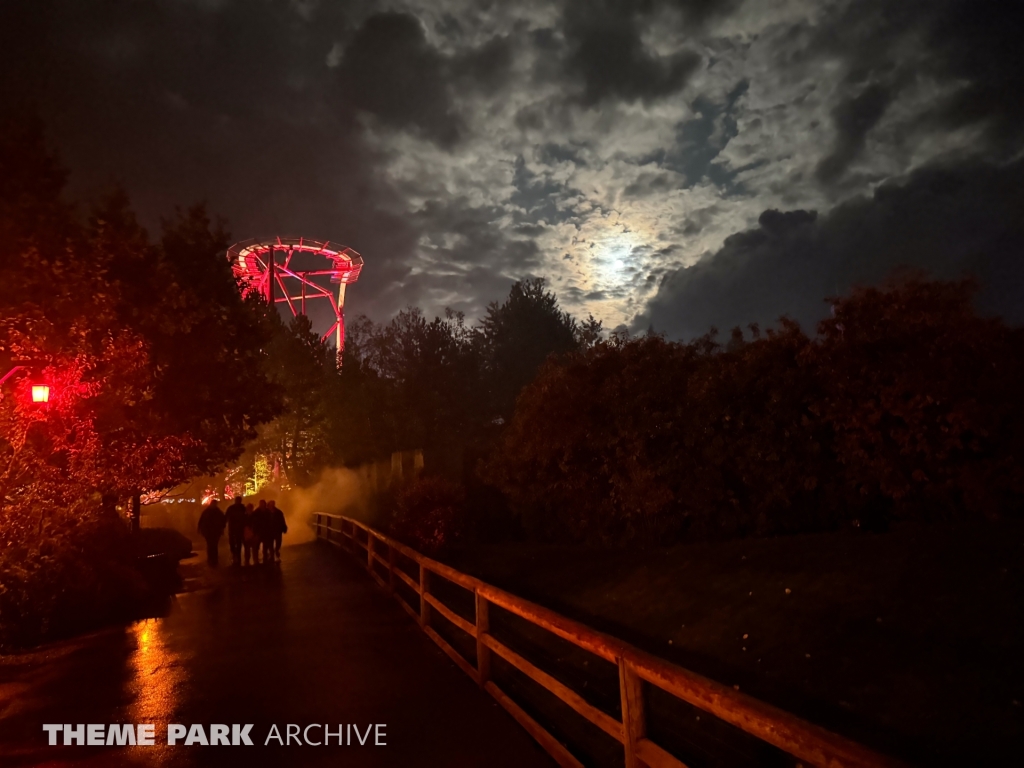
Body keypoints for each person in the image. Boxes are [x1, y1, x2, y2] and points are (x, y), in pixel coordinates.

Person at [197, 499, 226, 566]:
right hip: (211, 531)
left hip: (212, 531)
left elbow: (201, 521)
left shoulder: (208, 512)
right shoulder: (216, 512)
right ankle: (212, 558)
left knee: (212, 545)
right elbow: (223, 520)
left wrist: (200, 529)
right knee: (212, 545)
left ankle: (212, 558)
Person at [225, 495, 247, 566]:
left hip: (239, 529)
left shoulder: (242, 508)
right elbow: (226, 517)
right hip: (233, 529)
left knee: (238, 543)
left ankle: (237, 556)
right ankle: (235, 555)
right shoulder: (231, 508)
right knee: (233, 543)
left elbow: (246, 517)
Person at [253, 499, 273, 564]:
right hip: (259, 532)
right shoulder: (257, 512)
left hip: (266, 532)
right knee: (256, 547)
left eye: (263, 504)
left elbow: (271, 521)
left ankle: (265, 558)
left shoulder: (267, 512)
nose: (262, 505)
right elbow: (253, 521)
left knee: (265, 546)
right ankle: (256, 559)